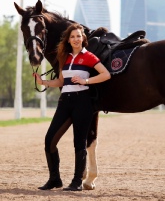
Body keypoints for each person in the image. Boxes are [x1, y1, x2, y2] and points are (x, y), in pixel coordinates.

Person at [33, 23, 111, 191]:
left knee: (79, 143)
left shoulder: (89, 56)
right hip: (65, 101)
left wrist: (86, 81)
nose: (76, 39)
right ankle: (55, 179)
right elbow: (61, 81)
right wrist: (43, 82)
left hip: (82, 102)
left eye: (79, 36)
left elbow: (106, 74)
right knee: (50, 140)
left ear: (83, 38)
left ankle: (77, 182)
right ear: (68, 40)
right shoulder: (65, 57)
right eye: (73, 36)